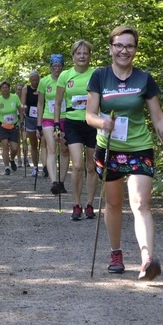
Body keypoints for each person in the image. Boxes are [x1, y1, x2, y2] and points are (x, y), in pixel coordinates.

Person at [86, 25, 163, 281]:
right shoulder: (99, 77)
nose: (123, 50)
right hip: (108, 149)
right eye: (119, 45)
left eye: (129, 46)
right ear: (110, 48)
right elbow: (89, 114)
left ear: (135, 50)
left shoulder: (144, 79)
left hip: (139, 148)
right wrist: (102, 123)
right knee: (114, 204)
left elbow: (158, 118)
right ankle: (116, 252)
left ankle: (147, 259)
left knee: (141, 203)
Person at [55, 40, 97, 221]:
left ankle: (90, 204)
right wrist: (57, 125)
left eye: (85, 53)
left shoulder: (96, 74)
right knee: (78, 165)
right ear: (73, 56)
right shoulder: (66, 75)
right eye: (78, 53)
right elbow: (57, 103)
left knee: (92, 166)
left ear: (89, 56)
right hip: (72, 123)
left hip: (92, 123)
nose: (82, 56)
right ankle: (76, 204)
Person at [37, 54, 70, 194]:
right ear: (51, 67)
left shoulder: (67, 80)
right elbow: (40, 103)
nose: (57, 68)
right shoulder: (44, 82)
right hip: (48, 118)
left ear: (62, 66)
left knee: (64, 149)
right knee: (52, 148)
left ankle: (62, 181)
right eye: (54, 66)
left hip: (65, 117)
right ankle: (54, 182)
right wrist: (39, 124)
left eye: (59, 65)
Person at [0, 81, 24, 176]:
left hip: (13, 125)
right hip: (2, 126)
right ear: (0, 90)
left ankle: (12, 159)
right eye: (3, 88)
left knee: (14, 147)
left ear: (9, 89)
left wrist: (21, 122)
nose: (5, 89)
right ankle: (6, 167)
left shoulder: (15, 98)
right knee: (5, 145)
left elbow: (20, 110)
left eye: (6, 87)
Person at [20, 70, 42, 176]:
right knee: (34, 144)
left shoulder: (43, 87)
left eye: (37, 79)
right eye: (33, 80)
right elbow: (23, 103)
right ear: (30, 80)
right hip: (30, 118)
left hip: (42, 118)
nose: (35, 82)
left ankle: (46, 166)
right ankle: (36, 167)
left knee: (45, 142)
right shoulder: (26, 89)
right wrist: (23, 108)